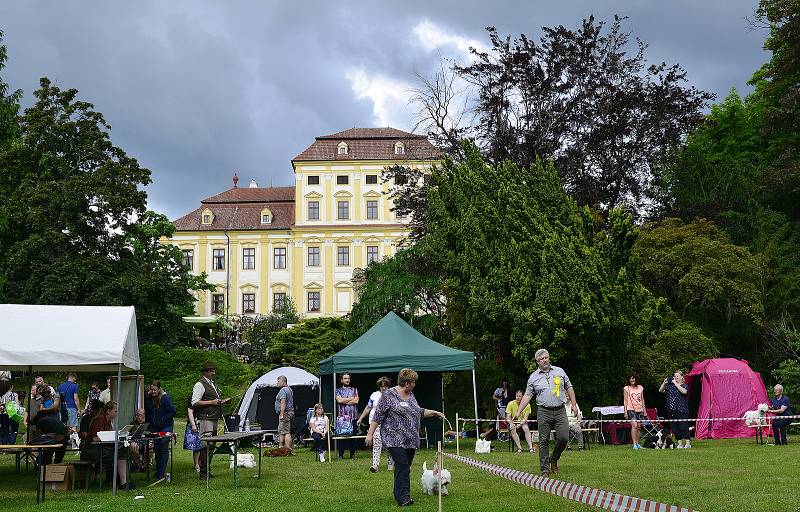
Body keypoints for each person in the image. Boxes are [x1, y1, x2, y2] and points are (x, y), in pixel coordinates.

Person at [366, 368, 446, 507]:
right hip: (393, 438)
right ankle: (404, 498)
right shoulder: (388, 395)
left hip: (410, 439)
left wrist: (434, 412)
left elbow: (418, 411)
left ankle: (398, 494)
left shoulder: (411, 395)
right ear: (407, 383)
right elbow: (377, 416)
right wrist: (369, 434)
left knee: (403, 467)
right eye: (413, 382)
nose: (415, 385)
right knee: (402, 465)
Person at [512, 349, 578, 478]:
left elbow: (569, 387)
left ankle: (553, 459)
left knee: (564, 437)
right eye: (542, 359)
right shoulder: (533, 377)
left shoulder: (560, 371)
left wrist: (574, 404)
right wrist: (518, 412)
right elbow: (527, 395)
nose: (545, 360)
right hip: (543, 411)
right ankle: (544, 469)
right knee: (543, 440)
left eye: (546, 357)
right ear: (537, 361)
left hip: (560, 410)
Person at [191, 360, 228, 479]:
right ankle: (203, 473)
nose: (214, 373)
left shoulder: (212, 384)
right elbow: (195, 402)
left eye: (214, 370)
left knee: (211, 445)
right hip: (205, 418)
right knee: (205, 445)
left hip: (213, 417)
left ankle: (207, 471)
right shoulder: (199, 384)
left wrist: (221, 402)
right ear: (205, 372)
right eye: (211, 371)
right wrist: (212, 402)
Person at [89, 400, 133, 489]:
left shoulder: (109, 421)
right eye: (115, 411)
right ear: (108, 411)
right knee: (121, 453)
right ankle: (123, 482)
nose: (117, 413)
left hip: (104, 448)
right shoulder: (100, 420)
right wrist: (112, 438)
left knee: (124, 450)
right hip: (95, 450)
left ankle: (123, 480)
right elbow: (95, 438)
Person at [357, 376, 394, 472]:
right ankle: (375, 465)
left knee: (389, 444)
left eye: (385, 386)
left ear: (388, 386)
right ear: (379, 386)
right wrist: (361, 418)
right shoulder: (374, 395)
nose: (384, 388)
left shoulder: (393, 395)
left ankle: (390, 463)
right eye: (382, 386)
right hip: (375, 424)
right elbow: (368, 408)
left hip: (388, 424)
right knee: (377, 444)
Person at [145, 380, 175, 480]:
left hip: (166, 426)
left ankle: (161, 472)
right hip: (155, 427)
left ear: (159, 389)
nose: (153, 391)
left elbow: (172, 411)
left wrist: (163, 419)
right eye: (151, 389)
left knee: (163, 446)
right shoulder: (150, 398)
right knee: (157, 448)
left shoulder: (165, 398)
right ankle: (158, 471)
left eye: (155, 390)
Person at [659, 370, 691, 448]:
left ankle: (688, 443)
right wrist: (664, 383)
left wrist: (675, 383)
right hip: (671, 410)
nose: (676, 377)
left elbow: (684, 392)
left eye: (677, 376)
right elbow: (660, 390)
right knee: (675, 427)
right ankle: (679, 443)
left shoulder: (684, 385)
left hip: (682, 410)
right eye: (675, 376)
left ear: (681, 377)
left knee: (683, 426)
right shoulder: (670, 386)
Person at [335, 372, 359, 459]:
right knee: (342, 437)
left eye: (348, 378)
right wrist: (351, 398)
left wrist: (344, 400)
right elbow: (339, 401)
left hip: (353, 417)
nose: (347, 380)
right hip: (342, 418)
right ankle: (341, 455)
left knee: (353, 436)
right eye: (345, 378)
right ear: (341, 380)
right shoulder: (338, 390)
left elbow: (356, 401)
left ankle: (352, 455)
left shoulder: (354, 390)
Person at [623, 373, 646, 450]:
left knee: (639, 427)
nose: (632, 380)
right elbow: (625, 401)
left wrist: (644, 410)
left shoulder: (640, 387)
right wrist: (625, 412)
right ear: (629, 380)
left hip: (640, 409)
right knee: (634, 425)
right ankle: (634, 444)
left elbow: (642, 399)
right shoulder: (626, 388)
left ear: (636, 379)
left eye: (633, 378)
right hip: (631, 409)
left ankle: (638, 443)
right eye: (630, 378)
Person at [275, 375, 295, 450]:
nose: (277, 383)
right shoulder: (289, 389)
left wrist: (282, 414)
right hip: (289, 412)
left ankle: (288, 449)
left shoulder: (283, 390)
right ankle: (281, 447)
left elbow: (283, 402)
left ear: (283, 382)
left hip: (286, 413)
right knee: (282, 430)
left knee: (286, 431)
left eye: (278, 381)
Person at [1, 379, 22, 445]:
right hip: (13, 414)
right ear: (10, 387)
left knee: (5, 430)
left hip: (4, 415)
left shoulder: (2, 395)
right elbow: (17, 404)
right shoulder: (14, 394)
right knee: (14, 430)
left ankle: (4, 444)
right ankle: (11, 443)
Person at [183, 396, 202, 472]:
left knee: (202, 445)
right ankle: (196, 465)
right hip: (195, 422)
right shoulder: (192, 397)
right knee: (197, 446)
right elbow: (190, 411)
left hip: (203, 422)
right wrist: (193, 424)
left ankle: (200, 464)